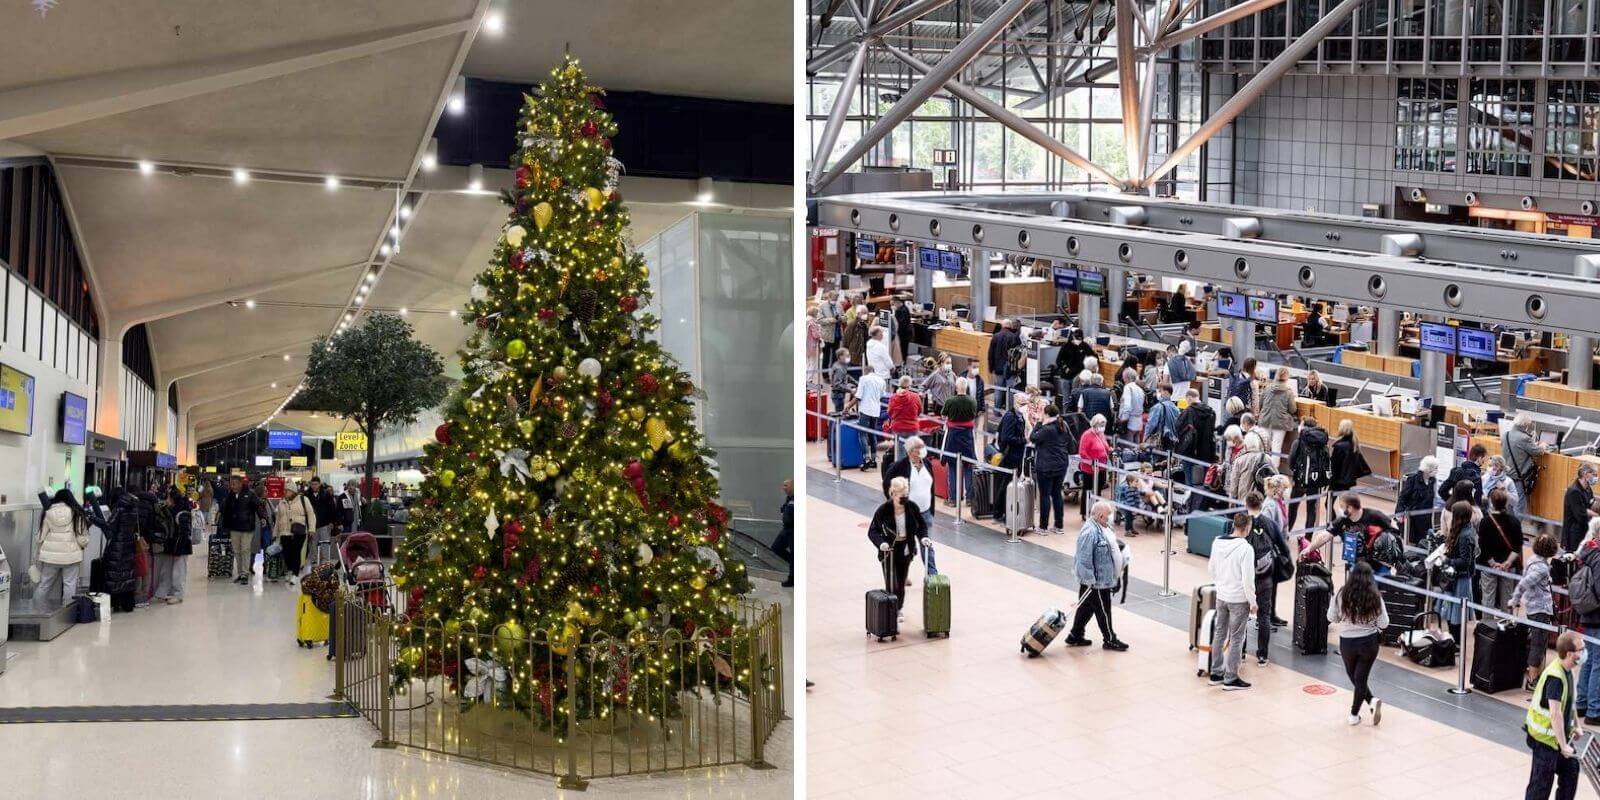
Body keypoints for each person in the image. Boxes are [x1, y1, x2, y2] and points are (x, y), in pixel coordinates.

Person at [1523, 631, 1583, 800]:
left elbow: (1570, 701)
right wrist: (1563, 746)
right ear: (1570, 654)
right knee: (1540, 786)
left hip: (1558, 738)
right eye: (1581, 649)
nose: (1584, 652)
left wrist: (1577, 725)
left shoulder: (1567, 671)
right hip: (1545, 741)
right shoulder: (1555, 677)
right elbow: (1555, 713)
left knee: (1571, 770)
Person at [1064, 500, 1129, 651]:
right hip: (1096, 582)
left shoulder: (1104, 526)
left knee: (1086, 607)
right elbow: (1083, 559)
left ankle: (1075, 635)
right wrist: (1090, 581)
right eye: (1108, 515)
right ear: (1100, 516)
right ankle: (1110, 639)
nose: (1111, 517)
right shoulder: (1090, 532)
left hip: (1103, 579)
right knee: (1104, 610)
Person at [1329, 562, 1388, 726]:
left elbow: (1331, 617)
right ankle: (1371, 701)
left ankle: (1354, 714)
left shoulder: (1342, 594)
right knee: (1360, 678)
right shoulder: (1375, 597)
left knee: (1355, 677)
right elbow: (1384, 623)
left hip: (1347, 643)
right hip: (1369, 642)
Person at [867, 476, 930, 621]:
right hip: (888, 550)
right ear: (893, 494)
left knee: (901, 583)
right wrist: (881, 543)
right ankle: (890, 608)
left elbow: (921, 526)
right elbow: (873, 531)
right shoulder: (883, 510)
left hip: (905, 549)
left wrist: (923, 537)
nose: (904, 499)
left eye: (906, 495)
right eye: (901, 496)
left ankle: (898, 608)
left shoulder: (912, 507)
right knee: (891, 582)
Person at [1206, 513, 1257, 690]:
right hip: (1238, 599)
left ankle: (1215, 673)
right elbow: (1247, 580)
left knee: (1219, 633)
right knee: (1236, 638)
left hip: (1222, 595)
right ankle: (1231, 677)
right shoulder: (1246, 549)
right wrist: (1253, 601)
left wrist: (1221, 585)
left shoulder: (1217, 541)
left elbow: (1211, 568)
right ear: (1247, 528)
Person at [1511, 534, 1561, 692]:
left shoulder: (1534, 560)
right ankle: (1532, 680)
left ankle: (1535, 674)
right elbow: (1523, 584)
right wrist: (1514, 599)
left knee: (1538, 642)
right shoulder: (1541, 569)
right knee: (1538, 644)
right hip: (1539, 609)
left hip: (1534, 607)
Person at [1246, 492, 1292, 661]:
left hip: (1247, 576)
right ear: (1261, 504)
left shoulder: (1242, 522)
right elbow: (1282, 546)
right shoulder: (1270, 523)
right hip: (1266, 575)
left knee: (1242, 615)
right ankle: (1262, 655)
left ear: (1247, 504)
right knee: (1264, 616)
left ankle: (1241, 651)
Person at [33, 488, 88, 608]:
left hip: (50, 557)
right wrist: (84, 544)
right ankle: (66, 614)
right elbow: (81, 539)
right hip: (71, 557)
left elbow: (40, 537)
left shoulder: (48, 513)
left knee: (44, 585)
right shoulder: (77, 513)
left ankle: (36, 609)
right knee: (69, 584)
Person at [1031, 405, 1074, 534]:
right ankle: (1058, 525)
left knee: (1045, 496)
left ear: (1047, 414)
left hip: (1046, 466)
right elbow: (1071, 443)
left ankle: (1043, 527)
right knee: (1056, 494)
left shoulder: (1047, 429)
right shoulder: (1063, 425)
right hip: (1061, 464)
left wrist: (1038, 423)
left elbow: (1033, 437)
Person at [1480, 488, 1525, 611]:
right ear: (1506, 503)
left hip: (1489, 566)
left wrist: (1492, 563)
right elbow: (1518, 545)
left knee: (1488, 599)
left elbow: (1483, 545)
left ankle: (1487, 626)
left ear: (1491, 502)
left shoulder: (1485, 522)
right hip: (1508, 566)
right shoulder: (1514, 521)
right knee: (1507, 599)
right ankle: (1506, 626)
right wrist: (1508, 562)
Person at [1574, 519, 1600, 724]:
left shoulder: (1587, 550)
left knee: (1589, 660)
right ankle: (1594, 710)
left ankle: (1582, 704)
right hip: (1597, 615)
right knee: (1597, 663)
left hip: (1588, 612)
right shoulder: (1598, 556)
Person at [218, 475, 266, 585]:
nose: (232, 486)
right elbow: (225, 510)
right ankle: (240, 573)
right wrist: (223, 524)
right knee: (237, 551)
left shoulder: (249, 494)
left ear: (240, 483)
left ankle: (245, 573)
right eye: (231, 483)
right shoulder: (230, 496)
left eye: (234, 483)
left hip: (247, 527)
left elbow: (258, 506)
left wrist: (263, 517)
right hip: (234, 527)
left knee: (245, 550)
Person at [883, 436, 937, 532]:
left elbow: (931, 487)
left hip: (926, 514)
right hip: (907, 515)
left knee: (926, 545)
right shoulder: (900, 466)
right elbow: (887, 483)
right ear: (910, 451)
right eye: (919, 447)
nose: (922, 449)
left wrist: (932, 511)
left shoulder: (927, 463)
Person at [1440, 501, 1480, 626]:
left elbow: (1465, 561)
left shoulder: (1465, 535)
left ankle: (1457, 644)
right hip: (1457, 577)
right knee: (1453, 619)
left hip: (1460, 579)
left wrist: (1447, 560)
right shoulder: (1464, 529)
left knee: (1456, 620)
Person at [1287, 417, 1330, 530]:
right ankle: (1307, 539)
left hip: (1300, 481)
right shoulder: (1322, 442)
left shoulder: (1298, 441)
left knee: (1293, 507)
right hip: (1315, 482)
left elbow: (1291, 461)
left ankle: (1288, 531)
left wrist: (1296, 471)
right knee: (1311, 510)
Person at [1504, 412, 1550, 517]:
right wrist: (1542, 445)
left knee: (1509, 506)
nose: (1529, 427)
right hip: (1519, 478)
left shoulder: (1505, 435)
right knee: (1519, 508)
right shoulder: (1523, 438)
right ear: (1525, 425)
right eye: (1529, 424)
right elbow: (1537, 452)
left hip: (1507, 476)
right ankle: (1514, 531)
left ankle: (1507, 530)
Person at [941, 378, 978, 507]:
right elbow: (974, 415)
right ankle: (969, 499)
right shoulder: (972, 401)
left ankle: (953, 499)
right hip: (967, 436)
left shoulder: (950, 401)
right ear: (966, 387)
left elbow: (944, 415)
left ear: (956, 387)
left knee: (952, 466)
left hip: (953, 436)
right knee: (968, 466)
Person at [151, 489, 193, 604]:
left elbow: (184, 534)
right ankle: (164, 592)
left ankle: (178, 594)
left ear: (173, 499)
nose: (166, 500)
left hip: (180, 548)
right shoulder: (171, 511)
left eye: (168, 498)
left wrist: (178, 551)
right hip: (172, 547)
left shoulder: (182, 513)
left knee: (178, 572)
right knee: (168, 571)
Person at [1175, 387, 1217, 487]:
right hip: (1207, 447)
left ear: (1189, 398)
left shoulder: (1188, 411)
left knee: (1188, 472)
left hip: (1190, 447)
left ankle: (1189, 493)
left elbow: (1178, 427)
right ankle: (1204, 495)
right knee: (1206, 473)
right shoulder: (1211, 412)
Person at [1394, 456, 1440, 544]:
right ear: (1428, 468)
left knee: (1424, 541)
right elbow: (1403, 497)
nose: (1437, 470)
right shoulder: (1413, 480)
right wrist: (1399, 513)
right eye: (1435, 468)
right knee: (1413, 541)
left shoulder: (1432, 480)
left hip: (1426, 517)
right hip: (1413, 518)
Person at [275, 484, 314, 584]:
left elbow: (311, 514)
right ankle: (290, 570)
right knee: (286, 553)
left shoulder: (303, 500)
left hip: (299, 531)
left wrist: (312, 529)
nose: (285, 492)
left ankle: (295, 575)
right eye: (285, 490)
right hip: (284, 532)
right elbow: (278, 519)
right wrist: (275, 533)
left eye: (287, 490)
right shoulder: (281, 502)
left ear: (293, 491)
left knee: (296, 553)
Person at [1076, 414, 1112, 522]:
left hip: (1101, 467)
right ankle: (1085, 512)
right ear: (1095, 424)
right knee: (1087, 490)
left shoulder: (1101, 434)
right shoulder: (1087, 435)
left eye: (1103, 425)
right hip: (1089, 468)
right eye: (1101, 424)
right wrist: (1091, 462)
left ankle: (1097, 512)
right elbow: (1082, 451)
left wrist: (1110, 449)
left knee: (1098, 490)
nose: (1102, 427)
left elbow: (1104, 447)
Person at [1258, 368, 1296, 461]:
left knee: (1263, 446)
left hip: (1265, 420)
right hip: (1280, 422)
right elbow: (1293, 409)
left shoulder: (1267, 388)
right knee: (1276, 449)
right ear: (1287, 377)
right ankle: (1273, 471)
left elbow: (1260, 404)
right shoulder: (1288, 391)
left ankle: (1261, 467)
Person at [853, 368, 887, 471]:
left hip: (865, 410)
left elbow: (858, 397)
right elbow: (882, 396)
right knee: (872, 434)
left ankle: (866, 459)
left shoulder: (863, 378)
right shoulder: (881, 380)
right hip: (876, 411)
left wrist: (847, 407)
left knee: (862, 434)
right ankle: (873, 460)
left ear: (866, 371)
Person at [884, 376, 922, 461]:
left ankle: (901, 472)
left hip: (898, 428)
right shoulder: (915, 397)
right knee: (914, 453)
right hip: (913, 428)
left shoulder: (893, 397)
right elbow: (919, 411)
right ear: (910, 385)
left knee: (900, 454)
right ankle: (913, 472)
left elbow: (889, 412)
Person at [1562, 463, 1597, 553]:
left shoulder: (1588, 488)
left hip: (1584, 532)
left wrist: (1590, 511)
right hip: (1574, 536)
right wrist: (1594, 514)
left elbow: (1590, 505)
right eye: (1594, 474)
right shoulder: (1574, 491)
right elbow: (1580, 515)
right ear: (1586, 474)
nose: (1596, 478)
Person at [1224, 435, 1271, 502]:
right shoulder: (1267, 458)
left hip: (1244, 499)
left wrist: (1232, 498)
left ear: (1245, 446)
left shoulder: (1239, 460)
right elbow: (1275, 475)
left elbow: (1234, 482)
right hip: (1262, 497)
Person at [1442, 444, 1487, 509]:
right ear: (1479, 458)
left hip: (1454, 512)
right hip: (1469, 514)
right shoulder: (1476, 478)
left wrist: (1453, 503)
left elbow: (1442, 491)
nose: (1484, 461)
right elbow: (1477, 502)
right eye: (1483, 459)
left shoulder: (1455, 471)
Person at [1329, 418, 1368, 493]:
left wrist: (1330, 480)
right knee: (1345, 501)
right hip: (1349, 480)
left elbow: (1335, 465)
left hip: (1338, 481)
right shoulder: (1354, 444)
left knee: (1329, 502)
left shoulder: (1339, 446)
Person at [1143, 383, 1180, 450]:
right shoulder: (1176, 408)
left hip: (1159, 440)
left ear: (1165, 392)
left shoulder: (1158, 407)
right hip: (1172, 440)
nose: (1159, 393)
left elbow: (1151, 424)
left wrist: (1145, 438)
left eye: (1160, 391)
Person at [987, 317, 1022, 388]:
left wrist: (991, 368)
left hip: (998, 368)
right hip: (1010, 369)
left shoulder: (995, 336)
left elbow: (990, 354)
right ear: (1010, 326)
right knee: (1010, 391)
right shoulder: (1014, 337)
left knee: (998, 391)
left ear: (1002, 326)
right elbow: (1018, 354)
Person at [1117, 367, 1145, 442]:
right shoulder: (1140, 389)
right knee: (1135, 449)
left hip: (1129, 423)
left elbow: (1127, 406)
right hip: (1139, 423)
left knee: (1127, 450)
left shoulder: (1128, 388)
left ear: (1126, 378)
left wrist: (1123, 420)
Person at [775, 479, 794, 588]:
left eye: (786, 485)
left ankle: (792, 578)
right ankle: (795, 562)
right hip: (785, 529)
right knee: (776, 548)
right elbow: (785, 507)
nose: (783, 488)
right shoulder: (789, 498)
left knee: (794, 553)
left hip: (792, 530)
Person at [827, 347, 854, 415]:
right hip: (838, 395)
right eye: (846, 355)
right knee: (839, 414)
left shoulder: (842, 365)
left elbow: (846, 376)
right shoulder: (839, 369)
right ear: (840, 356)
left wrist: (856, 382)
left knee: (840, 413)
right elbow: (837, 384)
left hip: (839, 394)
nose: (848, 357)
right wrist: (850, 390)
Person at [892, 295, 912, 365]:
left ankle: (903, 364)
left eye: (893, 304)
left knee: (903, 351)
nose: (892, 306)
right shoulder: (900, 309)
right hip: (902, 334)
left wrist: (895, 312)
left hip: (904, 335)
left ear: (897, 302)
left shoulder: (903, 310)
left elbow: (901, 324)